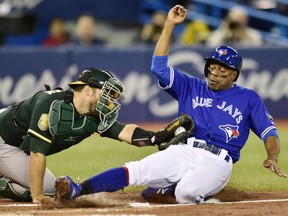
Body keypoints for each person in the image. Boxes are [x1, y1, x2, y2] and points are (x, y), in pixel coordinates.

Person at [54, 5, 286, 204]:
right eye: (212, 67)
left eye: (222, 70)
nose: (214, 73)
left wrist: (272, 157)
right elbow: (159, 68)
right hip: (184, 149)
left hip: (218, 161)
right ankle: (78, 189)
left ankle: (170, 187)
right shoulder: (191, 86)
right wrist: (169, 25)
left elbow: (269, 133)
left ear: (234, 74)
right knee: (137, 169)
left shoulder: (249, 98)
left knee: (186, 193)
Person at [0, 67, 168, 204]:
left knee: (52, 190)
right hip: (3, 140)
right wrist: (37, 197)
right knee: (44, 191)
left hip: (14, 143)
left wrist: (156, 137)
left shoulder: (93, 117)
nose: (110, 101)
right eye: (106, 94)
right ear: (88, 90)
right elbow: (37, 153)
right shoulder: (51, 105)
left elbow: (123, 131)